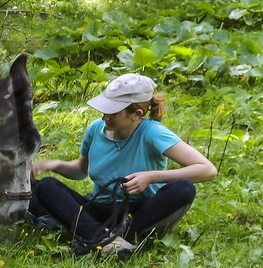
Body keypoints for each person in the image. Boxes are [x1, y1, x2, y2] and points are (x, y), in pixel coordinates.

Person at [29, 72, 217, 258]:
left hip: (140, 212)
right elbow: (80, 170)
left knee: (183, 188)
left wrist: (150, 177)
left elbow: (207, 170)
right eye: (105, 110)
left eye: (113, 113)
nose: (105, 117)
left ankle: (112, 238)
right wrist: (55, 165)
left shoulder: (152, 132)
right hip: (100, 208)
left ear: (136, 114)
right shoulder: (95, 129)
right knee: (46, 186)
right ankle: (106, 241)